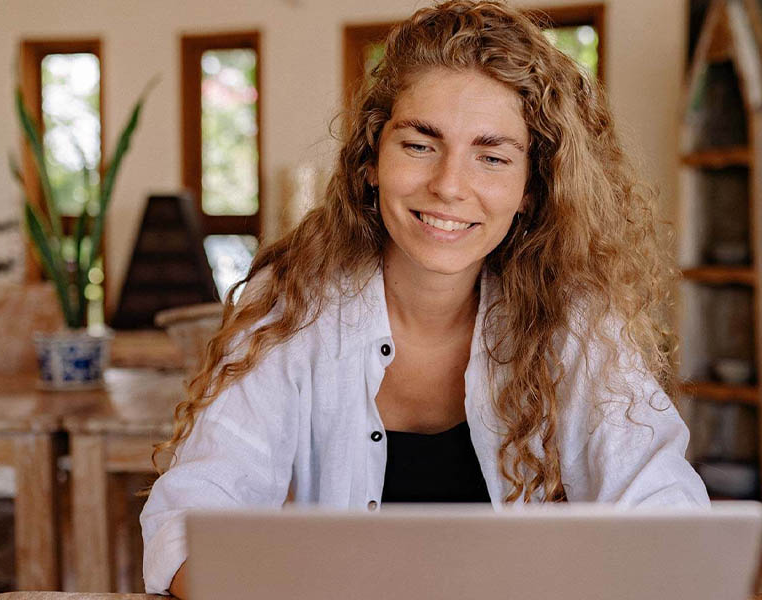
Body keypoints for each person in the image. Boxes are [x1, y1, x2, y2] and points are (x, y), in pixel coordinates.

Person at [140, 0, 708, 595]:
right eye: (419, 144)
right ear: (370, 160)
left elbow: (663, 511)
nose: (448, 186)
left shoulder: (575, 318)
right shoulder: (292, 303)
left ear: (530, 190)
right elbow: (190, 516)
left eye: (491, 157)